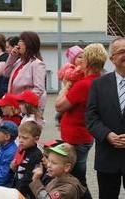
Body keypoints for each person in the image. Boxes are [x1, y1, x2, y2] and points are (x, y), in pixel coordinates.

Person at [55, 43, 108, 199]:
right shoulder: (101, 80)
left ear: (88, 62)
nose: (80, 61)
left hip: (76, 139)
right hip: (84, 136)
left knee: (77, 180)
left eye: (83, 57)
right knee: (77, 177)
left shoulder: (83, 84)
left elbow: (59, 106)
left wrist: (69, 84)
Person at [85, 37, 125, 199]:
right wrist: (107, 134)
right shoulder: (98, 85)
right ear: (112, 58)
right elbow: (91, 117)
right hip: (108, 157)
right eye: (121, 52)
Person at [4, 31, 46, 112]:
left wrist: (22, 103)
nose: (18, 44)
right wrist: (12, 57)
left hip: (26, 108)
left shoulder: (37, 64)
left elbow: (39, 89)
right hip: (14, 106)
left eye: (21, 41)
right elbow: (6, 73)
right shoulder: (19, 62)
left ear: (29, 44)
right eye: (19, 40)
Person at [11, 121, 43, 199]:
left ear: (36, 139)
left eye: (25, 138)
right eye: (19, 137)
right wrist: (13, 168)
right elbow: (18, 171)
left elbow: (28, 178)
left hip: (27, 192)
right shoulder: (21, 149)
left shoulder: (37, 155)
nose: (20, 140)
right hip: (17, 186)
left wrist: (17, 192)